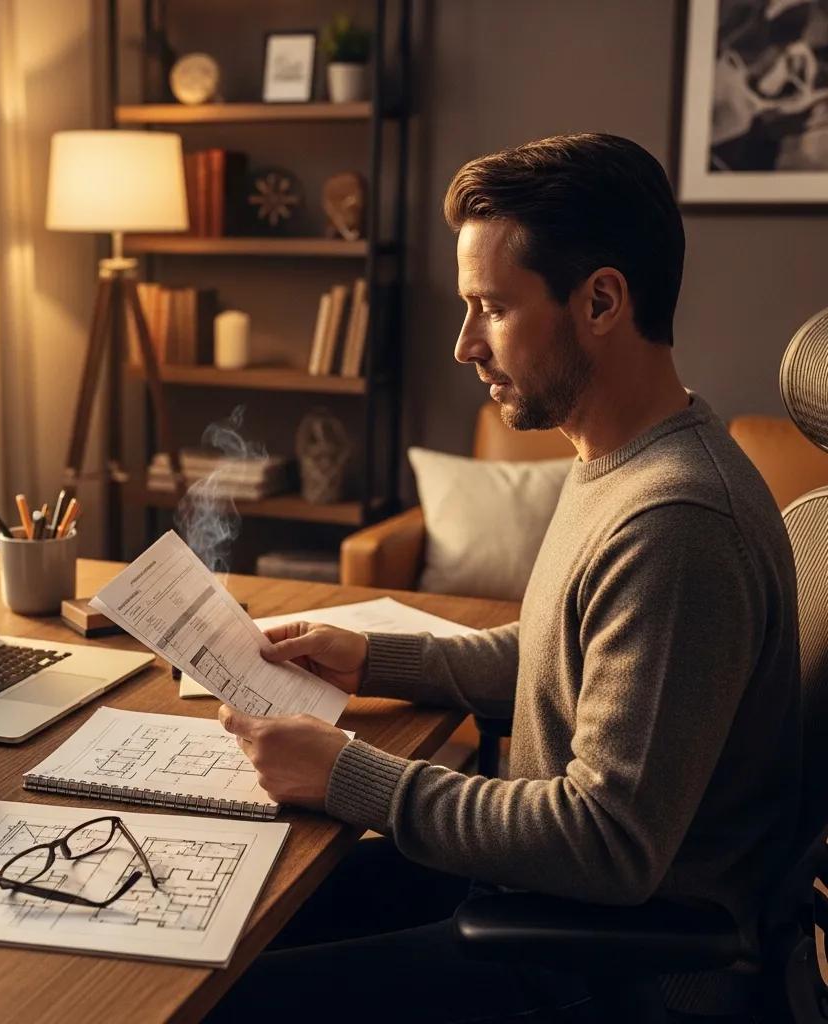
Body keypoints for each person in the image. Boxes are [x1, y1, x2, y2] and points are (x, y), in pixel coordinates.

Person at [207, 133, 801, 1022]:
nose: (462, 345)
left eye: (490, 307)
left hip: (599, 963)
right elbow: (563, 648)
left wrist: (348, 775)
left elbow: (609, 843)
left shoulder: (678, 523)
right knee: (225, 913)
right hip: (535, 895)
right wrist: (372, 657)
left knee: (220, 995)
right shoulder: (620, 458)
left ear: (601, 300)